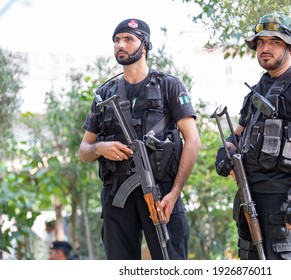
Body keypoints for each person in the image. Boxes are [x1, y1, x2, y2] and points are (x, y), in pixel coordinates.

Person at [78, 18, 201, 260]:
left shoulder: (169, 85)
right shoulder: (104, 93)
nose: (120, 45)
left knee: (171, 263)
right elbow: (83, 150)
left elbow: (193, 141)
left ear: (144, 45)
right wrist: (100, 148)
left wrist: (174, 193)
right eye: (116, 40)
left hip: (161, 191)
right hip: (117, 196)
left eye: (128, 39)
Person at [215, 13, 291, 260]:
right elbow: (237, 134)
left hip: (283, 200)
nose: (265, 48)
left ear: (290, 47)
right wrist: (224, 150)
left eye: (274, 42)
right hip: (249, 197)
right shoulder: (258, 89)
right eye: (260, 42)